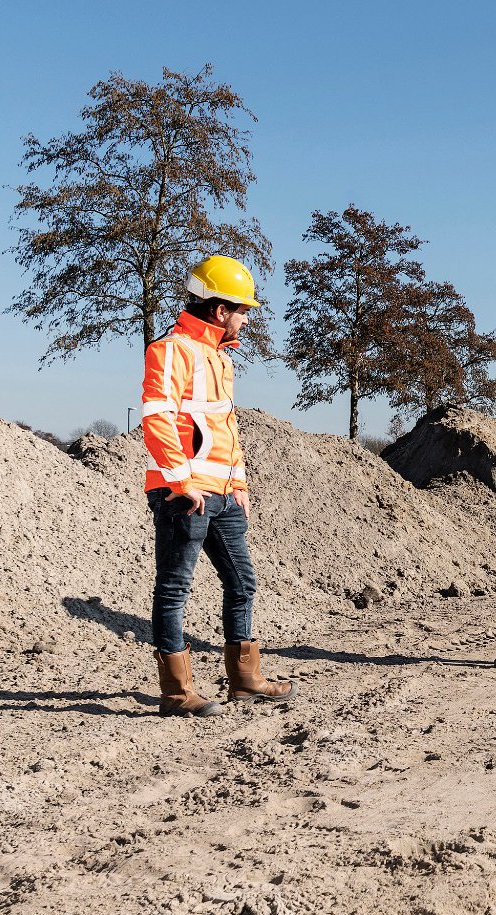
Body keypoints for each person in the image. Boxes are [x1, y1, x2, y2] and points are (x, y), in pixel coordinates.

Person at [141, 255, 295, 715]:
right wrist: (180, 481)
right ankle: (176, 694)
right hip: (186, 495)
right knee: (174, 588)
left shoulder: (218, 358)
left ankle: (244, 680)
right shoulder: (170, 351)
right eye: (242, 310)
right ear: (218, 309)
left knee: (242, 581)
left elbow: (224, 428)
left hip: (223, 494)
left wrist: (240, 482)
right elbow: (157, 418)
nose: (246, 319)